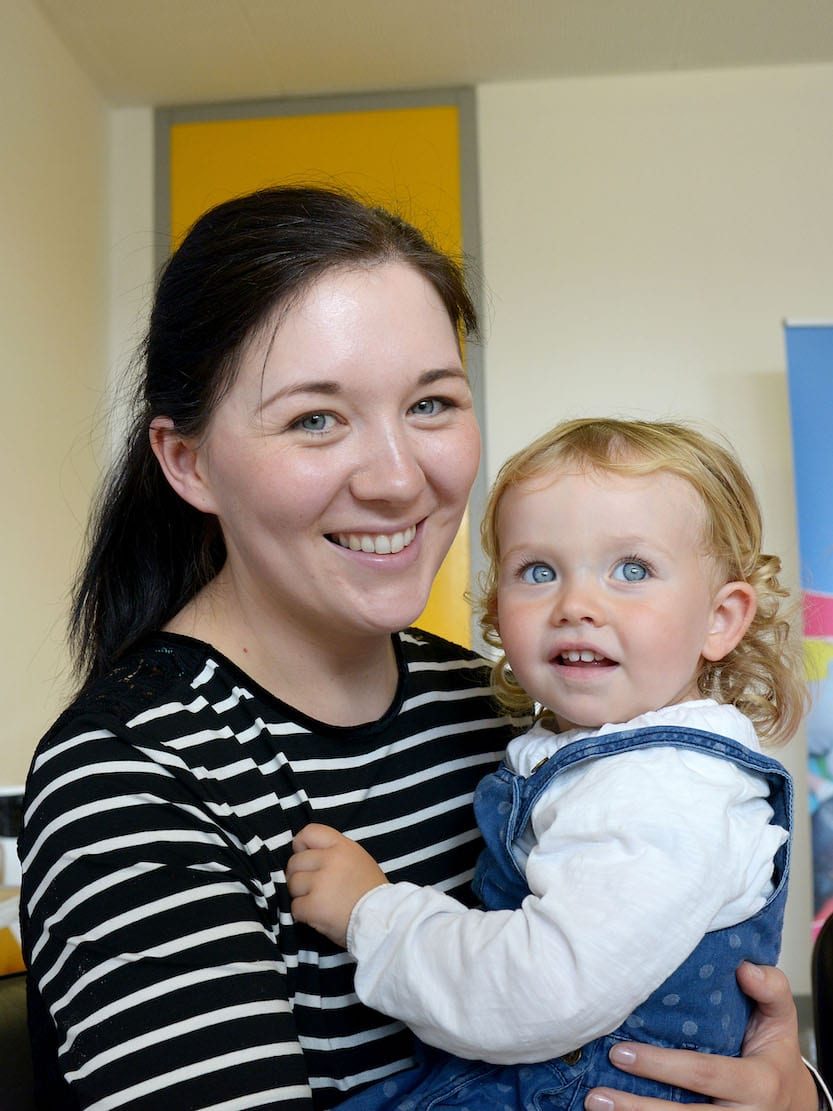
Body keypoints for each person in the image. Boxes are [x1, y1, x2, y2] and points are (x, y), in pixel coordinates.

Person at [17, 186, 822, 1111]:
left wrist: (792, 1093)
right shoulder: (134, 774)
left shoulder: (516, 706)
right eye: (315, 418)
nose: (400, 479)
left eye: (432, 403)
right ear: (187, 461)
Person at [288, 417, 811, 1108]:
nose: (576, 605)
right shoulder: (583, 755)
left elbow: (542, 988)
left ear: (720, 618)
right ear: (497, 612)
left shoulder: (668, 787)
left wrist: (371, 912)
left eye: (632, 569)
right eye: (538, 570)